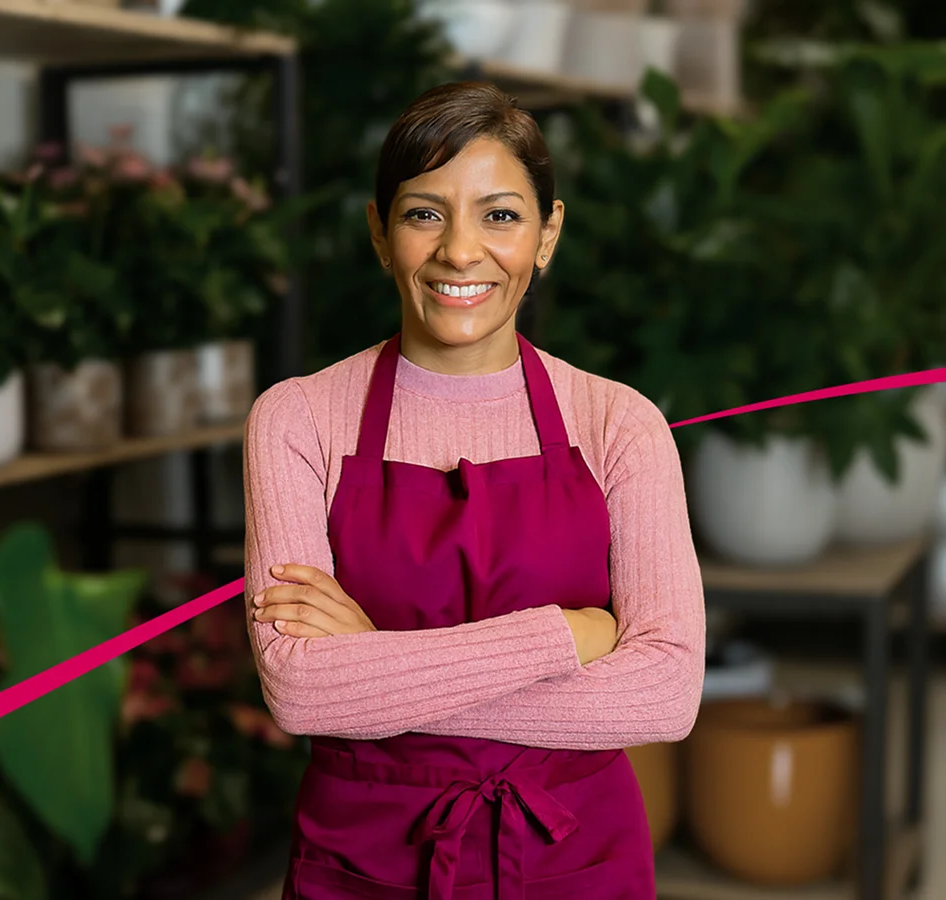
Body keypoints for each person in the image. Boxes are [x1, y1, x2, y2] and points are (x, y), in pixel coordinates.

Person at [242, 80, 705, 899]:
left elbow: (664, 698)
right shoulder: (299, 420)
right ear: (381, 235)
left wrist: (377, 672)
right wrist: (566, 635)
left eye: (500, 215)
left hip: (573, 856)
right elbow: (301, 688)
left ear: (547, 234)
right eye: (425, 213)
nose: (462, 251)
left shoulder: (619, 425)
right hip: (365, 860)